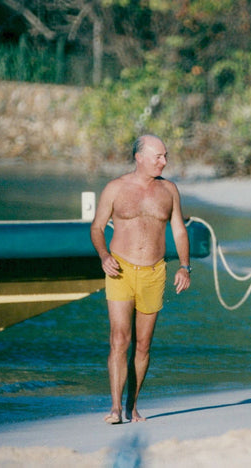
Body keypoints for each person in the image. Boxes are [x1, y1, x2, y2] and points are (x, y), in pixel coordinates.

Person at [90, 134, 191, 424]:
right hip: (120, 269)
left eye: (165, 156)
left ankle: (132, 406)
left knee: (143, 344)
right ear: (140, 157)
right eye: (159, 156)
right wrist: (103, 255)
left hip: (154, 272)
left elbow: (179, 231)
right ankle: (115, 408)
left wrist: (185, 266)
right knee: (120, 339)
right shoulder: (115, 188)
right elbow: (97, 227)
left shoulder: (169, 190)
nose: (165, 161)